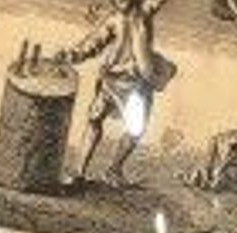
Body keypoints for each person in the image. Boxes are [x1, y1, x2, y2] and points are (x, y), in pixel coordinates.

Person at [57, 0, 176, 188]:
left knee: (135, 130)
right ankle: (79, 171)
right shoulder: (113, 19)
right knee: (94, 119)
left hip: (137, 85)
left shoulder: (144, 12)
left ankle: (113, 170)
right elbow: (92, 43)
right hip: (111, 80)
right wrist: (72, 55)